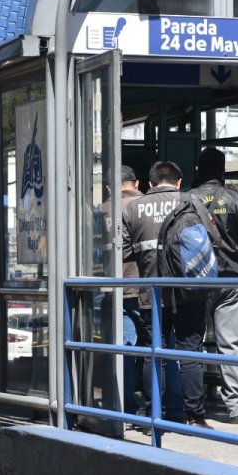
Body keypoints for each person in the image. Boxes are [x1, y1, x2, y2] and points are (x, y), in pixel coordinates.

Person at [122, 160, 212, 428]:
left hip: (152, 292)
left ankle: (153, 415)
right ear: (179, 181)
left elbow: (125, 253)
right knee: (190, 353)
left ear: (149, 183)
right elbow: (211, 239)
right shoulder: (192, 201)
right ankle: (194, 415)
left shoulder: (133, 208)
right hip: (190, 292)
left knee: (155, 353)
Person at [192, 147, 238, 424]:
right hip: (233, 280)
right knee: (233, 345)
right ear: (223, 171)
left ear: (198, 170)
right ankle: (236, 409)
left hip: (195, 281)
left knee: (191, 343)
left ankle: (194, 408)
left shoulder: (187, 199)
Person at [107, 165, 149, 418]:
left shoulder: (102, 209)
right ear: (137, 183)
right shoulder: (148, 204)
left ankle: (127, 408)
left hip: (118, 288)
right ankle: (157, 405)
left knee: (125, 349)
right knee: (157, 347)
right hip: (151, 287)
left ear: (111, 187)